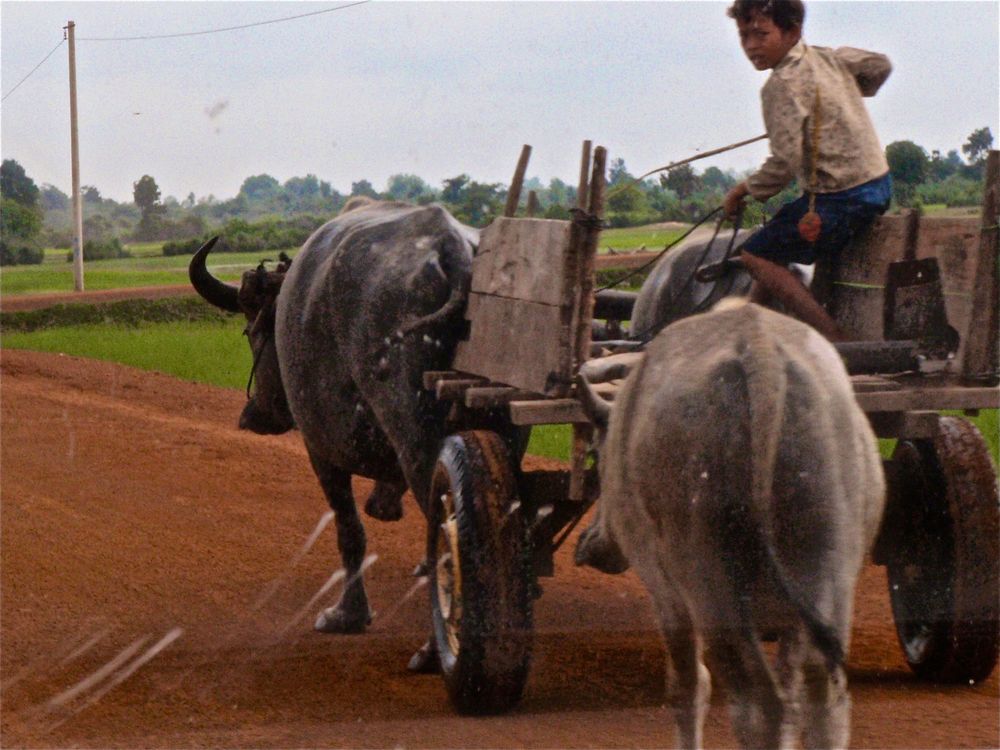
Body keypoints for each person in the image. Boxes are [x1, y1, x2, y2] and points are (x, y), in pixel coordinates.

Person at [722, 0, 893, 341]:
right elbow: (881, 65)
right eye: (744, 36)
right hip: (878, 185)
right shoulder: (830, 58)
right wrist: (844, 93)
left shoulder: (781, 85)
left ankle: (834, 338)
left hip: (841, 197)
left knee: (756, 255)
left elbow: (784, 163)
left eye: (761, 34)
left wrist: (742, 190)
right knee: (777, 235)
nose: (751, 46)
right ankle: (750, 321)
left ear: (792, 31)